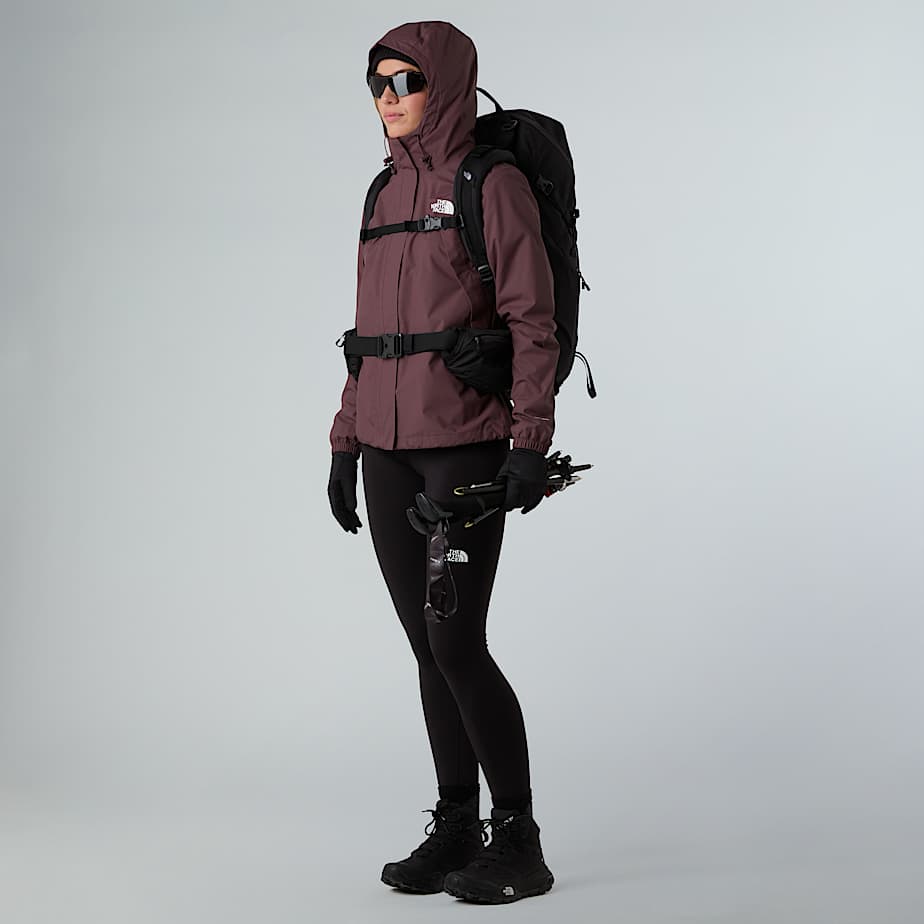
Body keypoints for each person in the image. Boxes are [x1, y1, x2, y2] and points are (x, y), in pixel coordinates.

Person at [327, 20, 558, 905]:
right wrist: (345, 440)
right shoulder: (382, 191)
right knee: (426, 648)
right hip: (386, 452)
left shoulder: (489, 182)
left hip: (463, 443)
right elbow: (367, 337)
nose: (388, 99)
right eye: (377, 83)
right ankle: (456, 823)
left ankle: (519, 839)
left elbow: (532, 319)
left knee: (458, 642)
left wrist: (529, 441)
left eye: (406, 81)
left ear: (447, 84)